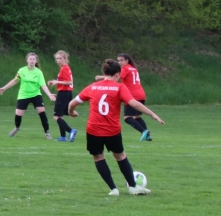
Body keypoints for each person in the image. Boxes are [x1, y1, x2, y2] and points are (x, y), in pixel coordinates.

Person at [69, 59, 164, 195]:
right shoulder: (119, 87)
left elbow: (72, 103)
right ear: (118, 74)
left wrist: (71, 112)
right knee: (120, 156)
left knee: (98, 158)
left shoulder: (92, 87)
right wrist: (152, 114)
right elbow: (134, 103)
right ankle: (133, 187)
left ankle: (113, 189)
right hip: (112, 130)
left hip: (94, 130)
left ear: (104, 72)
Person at [0, 52, 55, 140]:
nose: (32, 61)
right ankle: (17, 128)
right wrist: (4, 88)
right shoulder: (22, 70)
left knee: (42, 112)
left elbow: (43, 85)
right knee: (18, 114)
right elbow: (15, 80)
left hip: (36, 95)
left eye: (33, 59)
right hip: (23, 95)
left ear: (36, 61)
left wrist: (49, 94)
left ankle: (47, 132)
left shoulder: (38, 72)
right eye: (30, 59)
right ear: (27, 60)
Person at [47, 50, 78, 142]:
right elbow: (64, 81)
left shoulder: (65, 68)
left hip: (64, 93)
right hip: (65, 93)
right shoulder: (64, 68)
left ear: (65, 58)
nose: (58, 60)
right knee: (60, 116)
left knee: (56, 117)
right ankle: (63, 137)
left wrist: (57, 82)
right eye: (57, 58)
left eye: (60, 58)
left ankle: (71, 131)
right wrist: (55, 82)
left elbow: (69, 82)